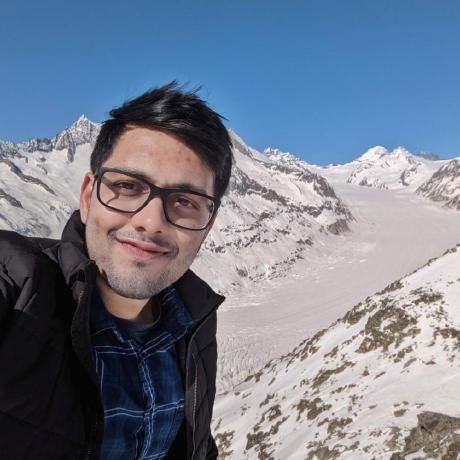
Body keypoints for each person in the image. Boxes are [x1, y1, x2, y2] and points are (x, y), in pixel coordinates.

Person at [0, 82, 233, 459]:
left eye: (186, 201)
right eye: (128, 186)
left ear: (207, 225)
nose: (151, 221)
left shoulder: (194, 322)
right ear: (87, 197)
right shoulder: (21, 288)